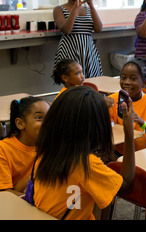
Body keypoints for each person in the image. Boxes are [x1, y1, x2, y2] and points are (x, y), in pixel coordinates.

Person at [29, 86, 136, 220]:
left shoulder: (48, 150)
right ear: (97, 127)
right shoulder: (86, 164)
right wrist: (129, 131)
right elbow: (126, 186)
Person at [108, 58, 146, 153]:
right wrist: (101, 106)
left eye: (133, 79)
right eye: (123, 77)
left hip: (142, 153)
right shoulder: (114, 99)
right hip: (118, 151)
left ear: (145, 83)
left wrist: (141, 122)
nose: (126, 82)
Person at [53, 0, 103, 78]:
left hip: (88, 51)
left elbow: (98, 29)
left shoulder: (87, 9)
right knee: (73, 82)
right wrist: (75, 6)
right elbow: (66, 30)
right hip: (70, 50)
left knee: (92, 82)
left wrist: (91, 6)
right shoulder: (59, 9)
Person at [0, 97, 49, 196]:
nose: (48, 123)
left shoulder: (49, 144)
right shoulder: (3, 149)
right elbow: (5, 193)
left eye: (49, 118)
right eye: (39, 117)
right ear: (20, 123)